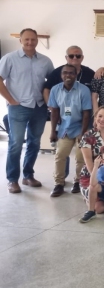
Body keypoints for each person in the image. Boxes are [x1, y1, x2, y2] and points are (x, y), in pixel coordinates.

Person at [0, 28, 54, 193]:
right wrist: (10, 100)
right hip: (18, 107)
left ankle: (28, 175)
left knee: (34, 143)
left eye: (33, 39)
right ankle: (12, 180)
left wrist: (50, 103)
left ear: (37, 40)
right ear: (21, 40)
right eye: (27, 39)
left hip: (39, 107)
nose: (30, 42)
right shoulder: (9, 59)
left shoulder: (45, 61)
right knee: (16, 144)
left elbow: (53, 82)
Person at [48, 64, 92, 196]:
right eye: (65, 73)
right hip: (64, 128)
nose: (68, 75)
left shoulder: (83, 90)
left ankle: (78, 181)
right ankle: (59, 184)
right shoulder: (55, 89)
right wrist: (52, 131)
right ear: (61, 75)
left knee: (81, 157)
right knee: (60, 155)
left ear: (76, 75)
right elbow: (54, 112)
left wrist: (83, 133)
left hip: (81, 127)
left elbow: (86, 113)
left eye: (71, 73)